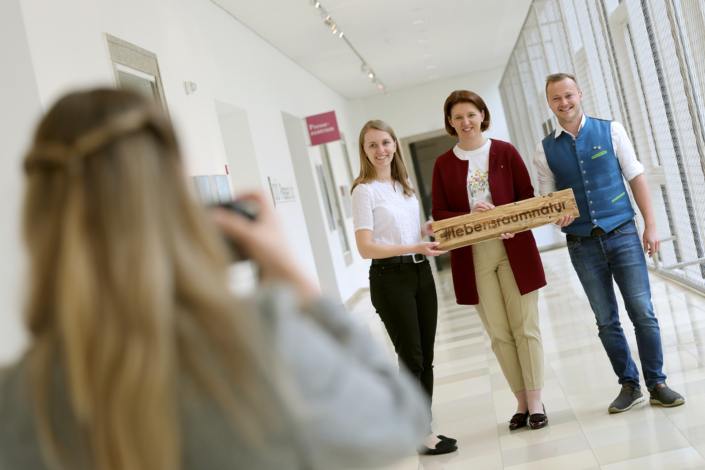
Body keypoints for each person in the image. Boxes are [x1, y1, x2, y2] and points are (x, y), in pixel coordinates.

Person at [0, 89, 431, 470]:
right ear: (175, 190)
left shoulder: (14, 400)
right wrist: (293, 280)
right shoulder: (257, 339)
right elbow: (397, 418)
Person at [534, 72, 685, 413]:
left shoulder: (611, 130)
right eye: (557, 98)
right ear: (549, 103)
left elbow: (635, 176)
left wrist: (651, 225)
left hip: (624, 233)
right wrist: (554, 212)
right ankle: (629, 385)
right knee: (605, 319)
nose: (564, 103)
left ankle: (657, 383)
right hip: (581, 243)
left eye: (569, 95)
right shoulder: (544, 150)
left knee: (643, 313)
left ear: (580, 94)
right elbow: (546, 197)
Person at [432, 90, 548, 430]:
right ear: (450, 123)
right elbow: (439, 212)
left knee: (526, 325)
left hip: (514, 246)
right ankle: (521, 400)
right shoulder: (443, 163)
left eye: (471, 114)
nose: (465, 122)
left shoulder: (505, 151)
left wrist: (510, 220)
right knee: (498, 332)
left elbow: (526, 197)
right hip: (473, 253)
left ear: (482, 114)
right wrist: (469, 213)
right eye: (457, 117)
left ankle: (537, 399)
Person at [351, 120, 457, 455]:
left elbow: (406, 232)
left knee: (426, 356)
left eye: (385, 143)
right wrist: (414, 247)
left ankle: (423, 428)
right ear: (364, 151)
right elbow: (367, 247)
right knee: (411, 357)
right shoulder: (363, 191)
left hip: (421, 275)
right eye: (372, 145)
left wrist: (425, 230)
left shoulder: (404, 184)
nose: (380, 150)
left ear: (395, 144)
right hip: (389, 279)